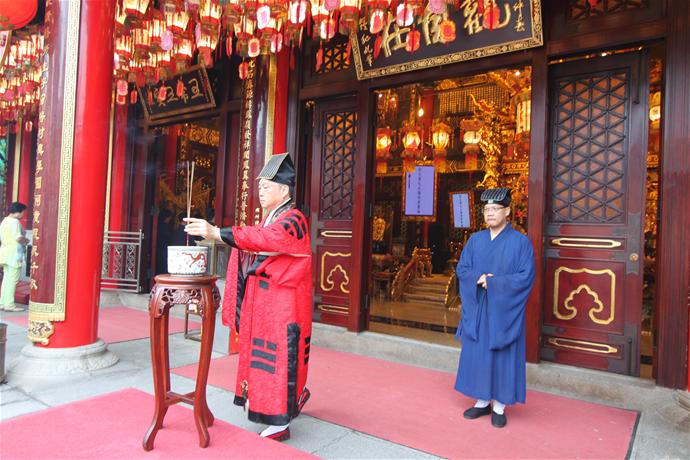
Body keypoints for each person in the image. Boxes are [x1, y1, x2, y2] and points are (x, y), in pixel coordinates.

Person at [184, 153, 312, 442]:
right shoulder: (272, 217)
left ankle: (279, 421)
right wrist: (220, 237)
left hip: (283, 306)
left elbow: (267, 239)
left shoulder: (294, 219)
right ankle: (283, 402)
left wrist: (218, 232)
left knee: (278, 357)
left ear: (284, 190)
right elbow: (256, 239)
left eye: (266, 187)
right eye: (260, 186)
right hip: (267, 303)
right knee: (267, 356)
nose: (260, 191)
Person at [454, 188, 535, 428]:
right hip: (479, 308)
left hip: (504, 313)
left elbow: (526, 276)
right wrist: (478, 278)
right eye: (486, 209)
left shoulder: (520, 242)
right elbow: (462, 269)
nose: (489, 213)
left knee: (503, 355)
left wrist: (496, 283)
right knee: (479, 353)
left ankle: (500, 405)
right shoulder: (475, 240)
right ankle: (482, 401)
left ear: (507, 211)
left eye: (495, 209)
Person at [0, 202, 30, 312]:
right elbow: (18, 238)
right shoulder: (15, 222)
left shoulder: (5, 221)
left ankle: (3, 303)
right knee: (12, 280)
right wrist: (27, 241)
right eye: (23, 212)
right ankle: (9, 305)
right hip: (14, 254)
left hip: (5, 252)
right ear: (19, 212)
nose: (23, 215)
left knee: (6, 279)